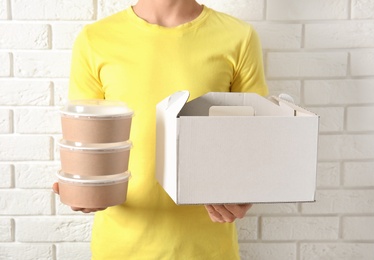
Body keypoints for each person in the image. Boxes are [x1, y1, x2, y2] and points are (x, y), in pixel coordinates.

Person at [53, 0, 268, 258]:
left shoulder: (239, 37)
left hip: (206, 248)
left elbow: (255, 142)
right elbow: (84, 141)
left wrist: (246, 193)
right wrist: (83, 189)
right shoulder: (95, 39)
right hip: (120, 248)